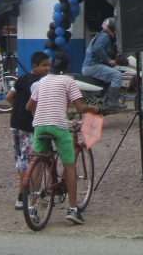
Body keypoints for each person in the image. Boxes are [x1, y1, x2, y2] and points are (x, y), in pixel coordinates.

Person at [26, 51, 102, 225]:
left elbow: (29, 105)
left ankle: (32, 205)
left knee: (39, 159)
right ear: (67, 67)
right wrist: (96, 110)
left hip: (39, 125)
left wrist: (41, 111)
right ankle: (73, 209)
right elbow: (81, 108)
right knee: (69, 166)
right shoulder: (69, 81)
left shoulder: (42, 81)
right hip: (57, 126)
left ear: (51, 65)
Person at [5, 51, 50, 210]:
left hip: (15, 124)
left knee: (21, 163)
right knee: (34, 161)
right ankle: (31, 197)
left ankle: (20, 197)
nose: (47, 68)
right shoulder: (38, 83)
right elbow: (37, 105)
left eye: (48, 65)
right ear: (35, 66)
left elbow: (9, 97)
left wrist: (17, 110)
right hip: (29, 127)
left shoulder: (22, 78)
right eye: (44, 65)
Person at [82, 18, 126, 111]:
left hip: (90, 66)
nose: (116, 31)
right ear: (110, 28)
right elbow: (98, 48)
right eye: (115, 28)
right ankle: (113, 102)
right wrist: (108, 60)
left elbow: (102, 50)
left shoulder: (102, 35)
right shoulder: (104, 36)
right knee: (117, 75)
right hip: (92, 66)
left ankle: (105, 97)